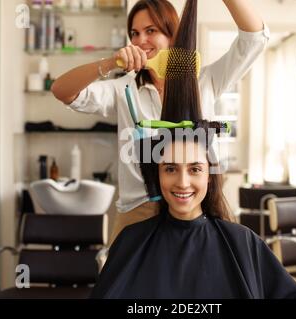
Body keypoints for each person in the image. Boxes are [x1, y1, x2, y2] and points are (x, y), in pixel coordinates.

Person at [51, 0, 270, 245]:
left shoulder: (206, 81)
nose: (140, 39)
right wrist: (111, 63)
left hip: (197, 210)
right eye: (135, 33)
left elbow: (254, 38)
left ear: (172, 34)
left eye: (151, 31)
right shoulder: (124, 89)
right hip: (139, 212)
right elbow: (62, 90)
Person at [90, 129, 296, 299]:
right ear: (158, 177)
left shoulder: (242, 242)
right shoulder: (131, 240)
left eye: (195, 169)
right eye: (171, 169)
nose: (183, 183)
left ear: (209, 177)